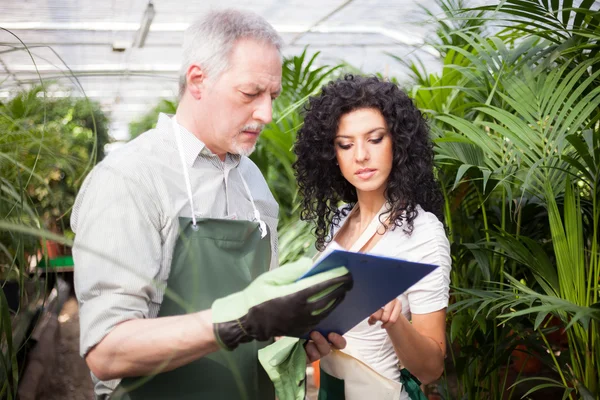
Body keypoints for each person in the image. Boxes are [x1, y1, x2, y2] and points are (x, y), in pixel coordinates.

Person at [71, 9, 352, 400]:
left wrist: (292, 339)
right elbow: (107, 350)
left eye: (272, 95)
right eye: (250, 93)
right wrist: (237, 320)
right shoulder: (130, 179)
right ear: (198, 80)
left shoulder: (252, 181)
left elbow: (257, 328)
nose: (267, 114)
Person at [293, 74, 451, 399]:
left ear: (400, 143)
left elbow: (432, 368)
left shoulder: (423, 233)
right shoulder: (340, 219)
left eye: (375, 139)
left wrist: (395, 321)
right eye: (346, 144)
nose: (360, 156)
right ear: (331, 154)